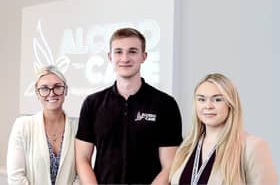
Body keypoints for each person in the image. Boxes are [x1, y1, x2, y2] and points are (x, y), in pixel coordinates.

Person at [75, 27, 182, 184]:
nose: (125, 58)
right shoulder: (92, 103)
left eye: (132, 51)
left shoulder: (165, 104)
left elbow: (170, 165)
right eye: (118, 51)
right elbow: (82, 158)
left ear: (143, 56)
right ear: (110, 56)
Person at [169, 73, 278, 185]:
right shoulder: (187, 146)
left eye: (217, 100)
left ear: (230, 104)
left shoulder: (252, 146)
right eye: (201, 99)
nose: (208, 106)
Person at [7, 65, 79, 185]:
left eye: (57, 87)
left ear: (65, 90)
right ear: (37, 93)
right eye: (44, 88)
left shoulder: (79, 128)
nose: (51, 93)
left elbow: (82, 174)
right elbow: (15, 177)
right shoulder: (22, 126)